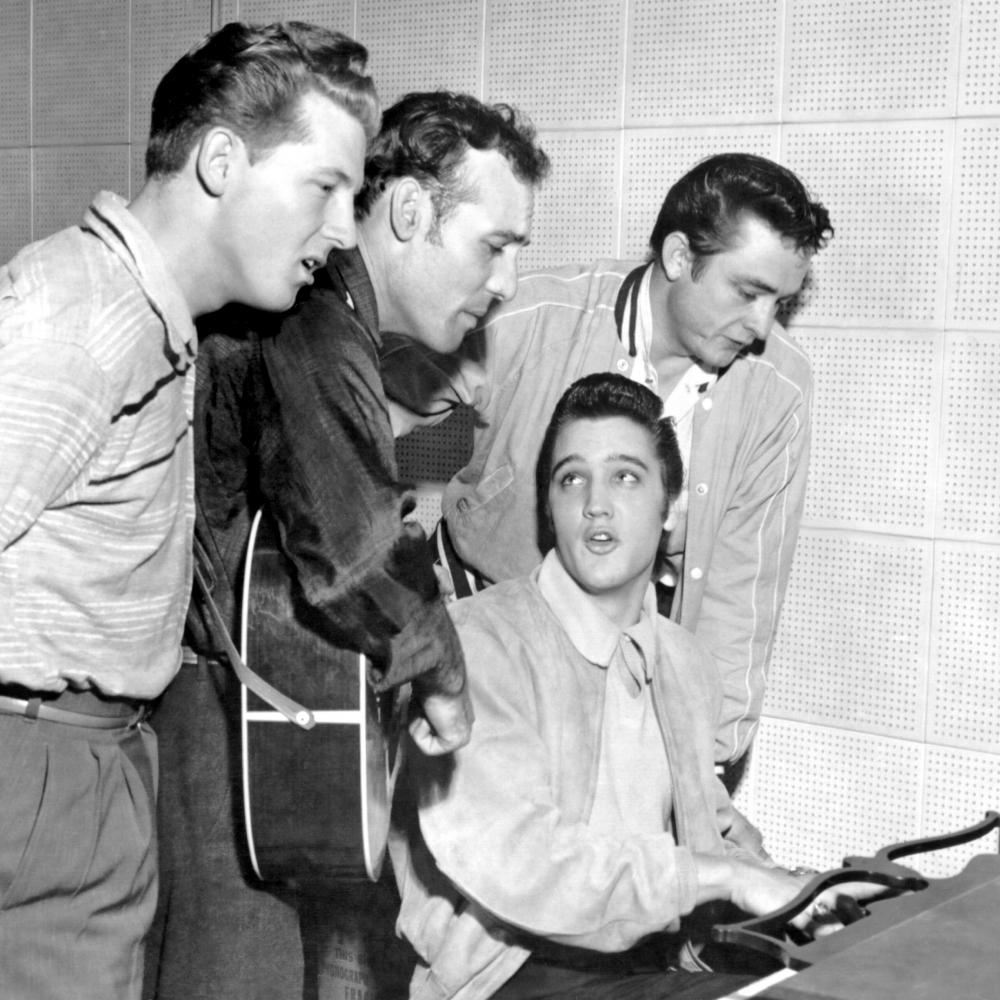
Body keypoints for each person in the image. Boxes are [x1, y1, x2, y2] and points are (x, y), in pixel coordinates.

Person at [0, 19, 377, 1000]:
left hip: (93, 757)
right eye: (324, 188)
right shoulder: (86, 313)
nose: (343, 231)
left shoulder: (156, 323)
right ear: (220, 161)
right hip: (41, 762)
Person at [146, 90, 550, 1000]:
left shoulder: (330, 319)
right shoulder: (315, 316)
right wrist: (447, 678)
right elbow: (352, 552)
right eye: (496, 245)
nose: (508, 284)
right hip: (215, 721)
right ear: (408, 211)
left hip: (243, 711)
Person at [390, 372, 872, 1000]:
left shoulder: (684, 662)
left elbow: (710, 829)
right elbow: (524, 863)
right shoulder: (473, 645)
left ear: (670, 509)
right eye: (571, 479)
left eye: (625, 476)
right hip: (509, 976)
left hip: (653, 964)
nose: (595, 503)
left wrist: (803, 892)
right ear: (548, 509)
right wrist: (721, 878)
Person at [383, 152, 832, 783]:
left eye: (779, 302)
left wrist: (707, 772)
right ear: (679, 258)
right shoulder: (528, 321)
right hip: (475, 648)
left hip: (629, 689)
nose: (761, 327)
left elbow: (742, 597)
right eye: (748, 292)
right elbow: (353, 425)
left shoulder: (779, 389)